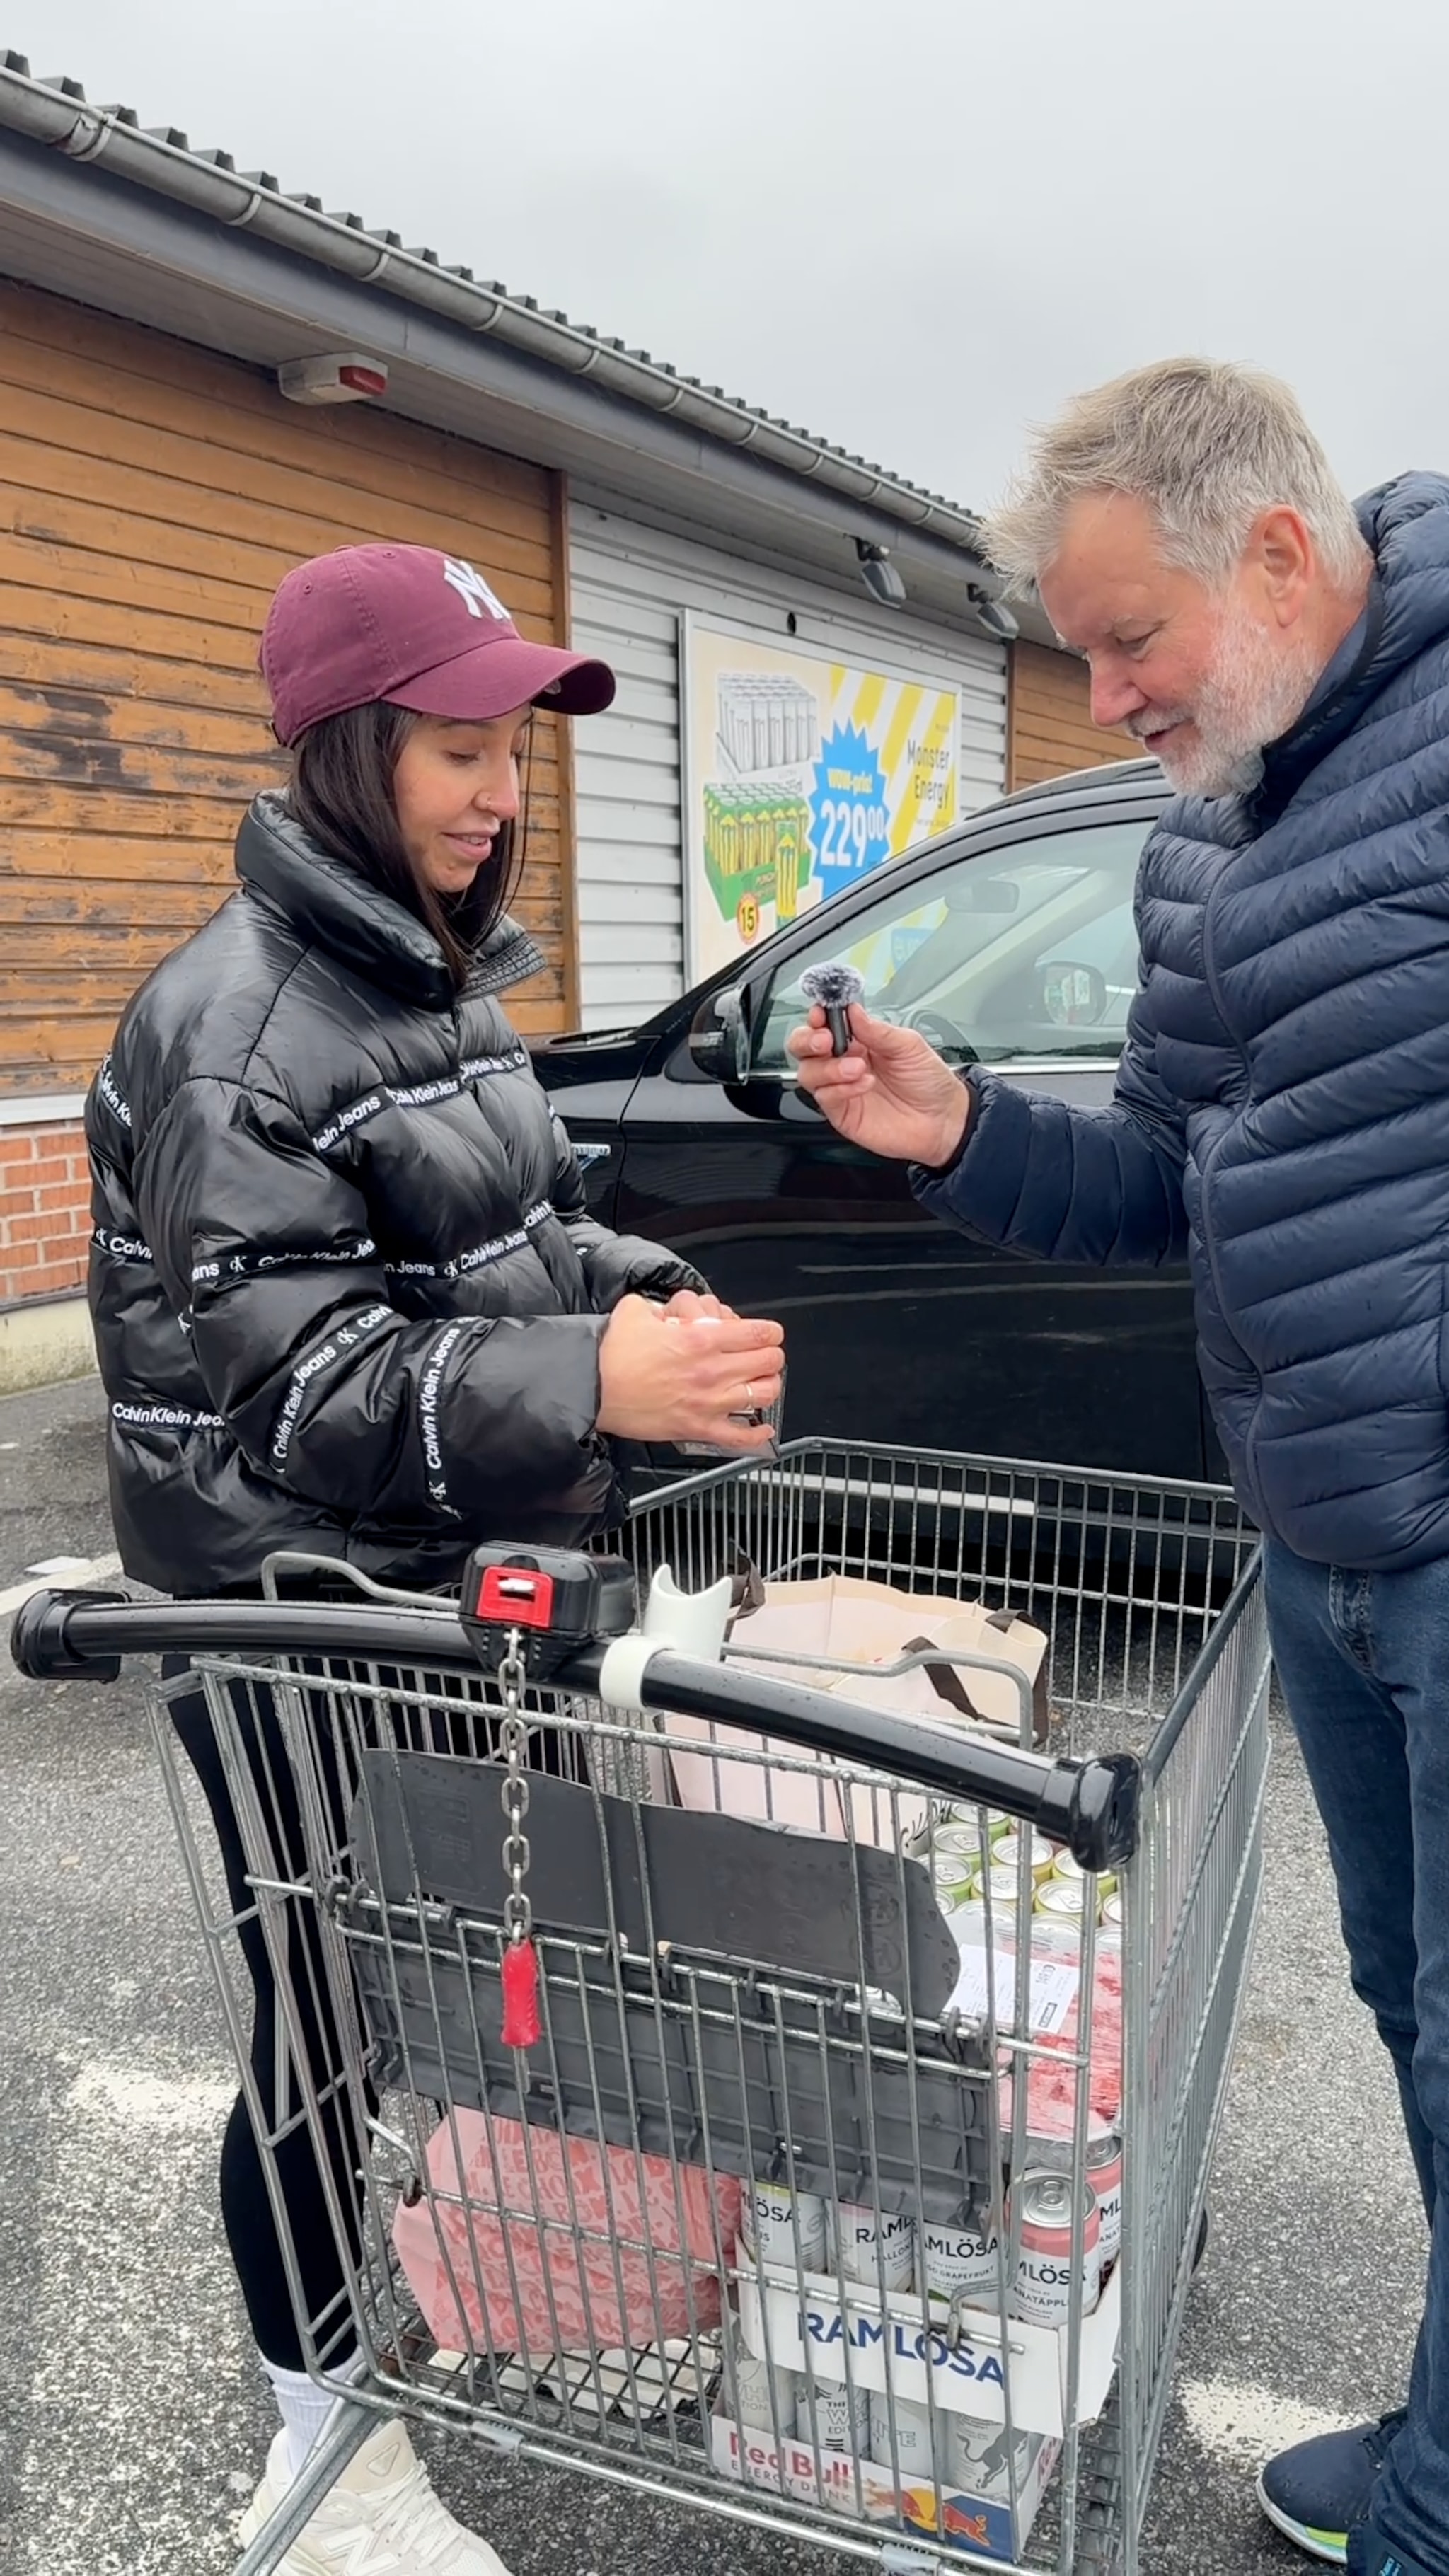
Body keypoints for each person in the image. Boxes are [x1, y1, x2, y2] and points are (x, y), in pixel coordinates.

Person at [790, 359, 1449, 2576]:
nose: (1103, 698)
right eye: (1081, 652)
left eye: (1127, 638)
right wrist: (960, 1127)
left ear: (1273, 552)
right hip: (1323, 1542)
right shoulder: (1202, 835)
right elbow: (1161, 1173)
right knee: (1410, 2012)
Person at [86, 541, 785, 2576]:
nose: (501, 790)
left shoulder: (429, 977)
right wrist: (591, 1380)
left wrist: (643, 1299)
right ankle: (322, 2454)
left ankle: (459, 2287)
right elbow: (305, 1388)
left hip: (440, 1589)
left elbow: (522, 1231)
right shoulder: (239, 1034)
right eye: (460, 747)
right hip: (293, 1611)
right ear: (347, 752)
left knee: (451, 1984)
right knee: (321, 2024)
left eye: (514, 751)